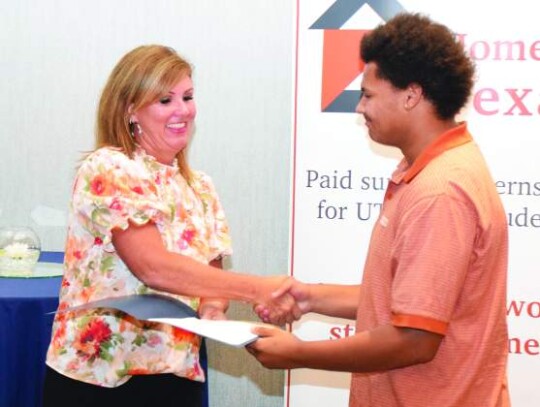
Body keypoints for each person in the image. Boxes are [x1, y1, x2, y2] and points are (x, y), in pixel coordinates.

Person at [249, 13, 510, 407]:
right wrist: (310, 297)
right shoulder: (423, 170)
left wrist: (298, 354)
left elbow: (414, 340)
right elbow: (408, 303)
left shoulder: (440, 191)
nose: (359, 108)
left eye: (368, 94)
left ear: (411, 95)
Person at [43, 44, 298, 407]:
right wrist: (259, 289)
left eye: (188, 97)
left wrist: (213, 311)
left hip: (176, 373)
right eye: (165, 100)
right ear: (131, 109)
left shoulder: (200, 186)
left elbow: (209, 278)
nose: (183, 110)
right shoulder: (110, 168)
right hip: (99, 378)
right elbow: (153, 267)